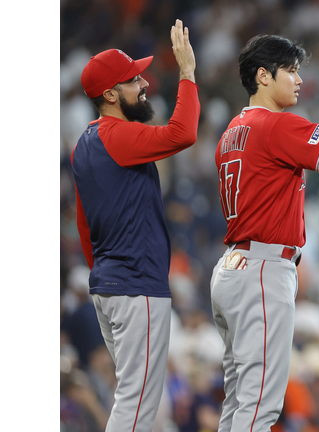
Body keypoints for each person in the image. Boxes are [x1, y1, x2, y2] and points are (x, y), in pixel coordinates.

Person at [208, 33, 319, 432]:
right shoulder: (275, 127)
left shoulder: (231, 131)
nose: (298, 80)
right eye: (291, 71)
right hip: (262, 269)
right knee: (261, 403)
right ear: (263, 75)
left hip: (231, 268)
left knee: (239, 401)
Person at [70, 20, 199, 432]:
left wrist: (103, 276)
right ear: (110, 94)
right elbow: (184, 133)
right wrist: (187, 73)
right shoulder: (116, 134)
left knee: (134, 400)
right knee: (137, 407)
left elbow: (84, 226)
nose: (143, 83)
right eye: (132, 79)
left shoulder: (84, 143)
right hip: (135, 283)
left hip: (109, 285)